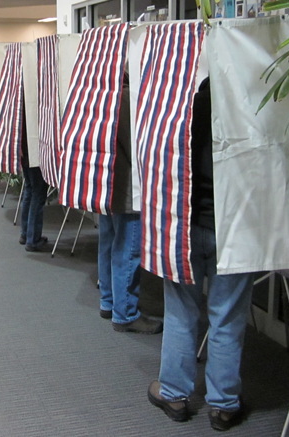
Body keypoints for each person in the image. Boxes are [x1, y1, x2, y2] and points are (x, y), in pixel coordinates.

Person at [147, 77, 255, 431]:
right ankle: (223, 406)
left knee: (181, 311)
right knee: (227, 317)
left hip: (187, 227)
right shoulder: (248, 113)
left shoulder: (181, 112)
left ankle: (175, 395)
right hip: (233, 230)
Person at [98, 72, 163, 335]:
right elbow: (140, 146)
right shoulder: (126, 99)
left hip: (105, 185)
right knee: (127, 250)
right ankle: (125, 314)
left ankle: (108, 301)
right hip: (126, 190)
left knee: (108, 242)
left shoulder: (101, 95)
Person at [19, 102, 49, 252]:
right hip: (35, 152)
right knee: (38, 193)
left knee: (30, 190)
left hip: (24, 151)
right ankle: (33, 239)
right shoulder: (36, 101)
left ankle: (26, 234)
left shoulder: (19, 100)